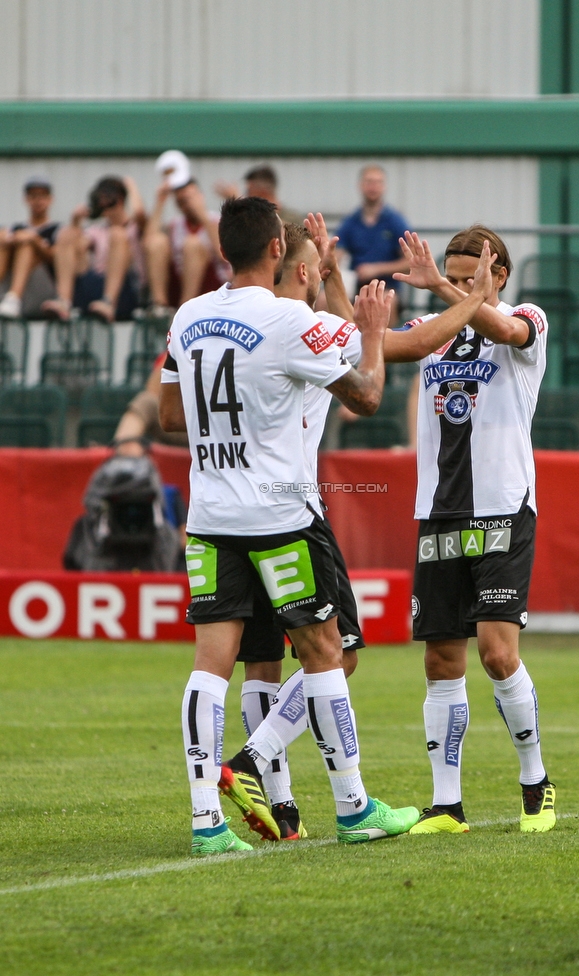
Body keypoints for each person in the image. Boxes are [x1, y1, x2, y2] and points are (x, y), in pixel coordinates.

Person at [159, 195, 420, 856]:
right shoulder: (286, 319)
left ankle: (204, 824)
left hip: (211, 515)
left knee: (209, 665)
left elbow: (167, 416)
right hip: (278, 514)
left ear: (222, 251)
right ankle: (354, 807)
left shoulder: (189, 317)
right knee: (327, 652)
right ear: (277, 249)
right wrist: (369, 332)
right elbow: (364, 396)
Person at [225, 217, 498, 837]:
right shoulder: (305, 330)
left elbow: (346, 331)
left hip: (225, 510)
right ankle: (264, 767)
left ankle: (282, 802)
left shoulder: (234, 324)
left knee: (260, 661)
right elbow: (402, 350)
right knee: (337, 654)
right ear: (301, 270)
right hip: (290, 515)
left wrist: (333, 277)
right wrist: (475, 298)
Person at [390, 226, 556, 835]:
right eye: (452, 279)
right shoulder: (433, 335)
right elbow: (378, 347)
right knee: (440, 657)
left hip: (502, 509)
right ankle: (446, 805)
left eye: (471, 279)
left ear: (500, 276)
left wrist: (449, 291)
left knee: (496, 652)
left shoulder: (525, 319)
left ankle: (536, 782)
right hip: (438, 511)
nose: (458, 289)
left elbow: (505, 330)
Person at [42, 176, 146, 323]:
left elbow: (140, 213)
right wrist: (75, 221)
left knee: (117, 234)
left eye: (109, 200)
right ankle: (63, 301)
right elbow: (76, 247)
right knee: (67, 234)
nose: (104, 206)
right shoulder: (97, 231)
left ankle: (109, 302)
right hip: (95, 286)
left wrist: (130, 186)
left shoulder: (135, 228)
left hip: (127, 289)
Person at [144, 178, 230, 316]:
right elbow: (148, 244)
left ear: (201, 196)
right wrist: (160, 202)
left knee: (192, 244)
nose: (188, 204)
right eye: (182, 201)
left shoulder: (218, 220)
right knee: (157, 242)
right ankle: (159, 305)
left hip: (212, 285)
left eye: (191, 198)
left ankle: (185, 308)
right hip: (179, 283)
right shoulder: (175, 224)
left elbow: (225, 256)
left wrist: (202, 215)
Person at [336, 165, 410, 325]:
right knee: (324, 299)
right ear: (360, 185)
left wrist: (376, 269)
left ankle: (388, 348)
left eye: (378, 182)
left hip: (387, 287)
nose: (373, 187)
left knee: (385, 302)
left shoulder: (395, 221)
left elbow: (410, 262)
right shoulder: (351, 221)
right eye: (369, 182)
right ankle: (339, 346)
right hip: (356, 286)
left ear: (384, 187)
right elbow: (336, 253)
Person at [0, 176, 59, 319]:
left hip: (43, 289)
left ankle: (14, 297)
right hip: (8, 286)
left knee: (27, 246)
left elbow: (57, 260)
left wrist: (35, 240)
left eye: (42, 196)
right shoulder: (16, 228)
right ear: (26, 199)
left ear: (50, 199)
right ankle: (11, 297)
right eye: (33, 196)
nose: (38, 201)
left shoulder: (58, 230)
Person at [215, 164, 303, 225]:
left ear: (262, 192)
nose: (247, 195)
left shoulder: (293, 219)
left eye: (249, 190)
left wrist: (240, 202)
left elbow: (271, 228)